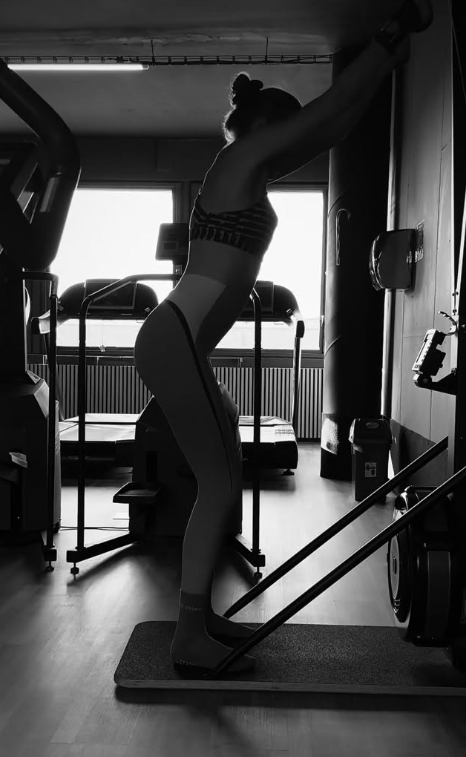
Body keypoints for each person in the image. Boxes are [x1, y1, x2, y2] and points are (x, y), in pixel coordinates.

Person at [134, 0, 434, 674]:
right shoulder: (237, 159)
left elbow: (334, 127)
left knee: (225, 474)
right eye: (286, 127)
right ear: (266, 127)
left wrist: (383, 71)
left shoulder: (252, 170)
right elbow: (327, 114)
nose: (293, 139)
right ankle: (187, 637)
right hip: (173, 337)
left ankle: (198, 617)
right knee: (218, 482)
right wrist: (385, 42)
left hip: (181, 341)